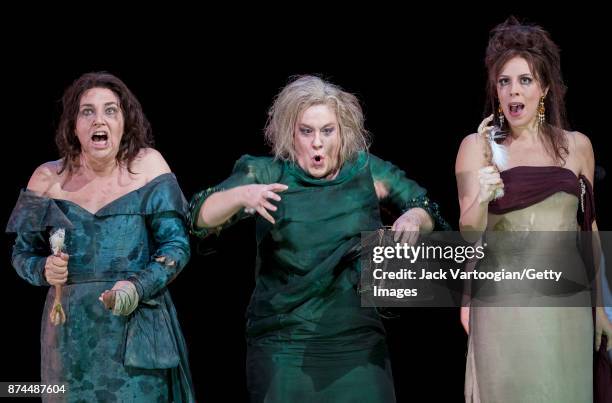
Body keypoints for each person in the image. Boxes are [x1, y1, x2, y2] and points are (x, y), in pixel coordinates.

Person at [189, 75, 449, 402]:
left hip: (357, 342)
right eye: (306, 131)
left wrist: (413, 217)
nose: (317, 143)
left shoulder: (366, 171)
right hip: (284, 345)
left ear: (343, 133)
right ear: (290, 133)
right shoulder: (268, 173)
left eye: (327, 131)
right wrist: (242, 195)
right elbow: (199, 216)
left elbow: (424, 206)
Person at [6, 72, 195, 402]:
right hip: (69, 338)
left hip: (135, 331)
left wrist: (137, 286)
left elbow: (176, 246)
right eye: (87, 111)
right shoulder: (47, 177)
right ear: (73, 124)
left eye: (111, 110)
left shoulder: (148, 166)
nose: (99, 119)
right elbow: (22, 253)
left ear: (125, 121)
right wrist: (43, 270)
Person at [455, 17, 612, 402]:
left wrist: (602, 306)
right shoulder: (476, 148)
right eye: (504, 81)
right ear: (496, 89)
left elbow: (587, 232)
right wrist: (484, 192)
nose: (513, 91)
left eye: (525, 80)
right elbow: (469, 234)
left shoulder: (577, 147)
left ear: (543, 89)